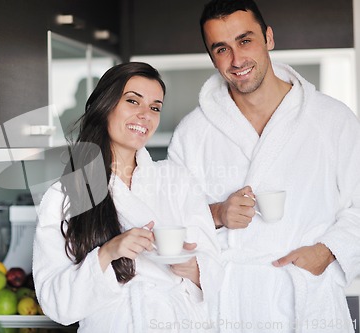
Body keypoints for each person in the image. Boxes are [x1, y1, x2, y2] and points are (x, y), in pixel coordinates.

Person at [168, 0, 360, 332]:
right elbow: (171, 223)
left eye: (245, 41)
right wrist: (217, 213)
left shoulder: (332, 119)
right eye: (221, 49)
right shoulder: (192, 133)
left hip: (307, 300)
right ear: (212, 57)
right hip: (230, 304)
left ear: (268, 37)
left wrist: (327, 252)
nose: (237, 59)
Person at [33, 62, 222, 332]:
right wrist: (108, 252)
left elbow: (215, 271)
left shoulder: (177, 181)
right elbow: (57, 305)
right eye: (133, 101)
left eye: (155, 107)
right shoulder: (63, 196)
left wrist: (191, 267)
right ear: (105, 106)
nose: (145, 115)